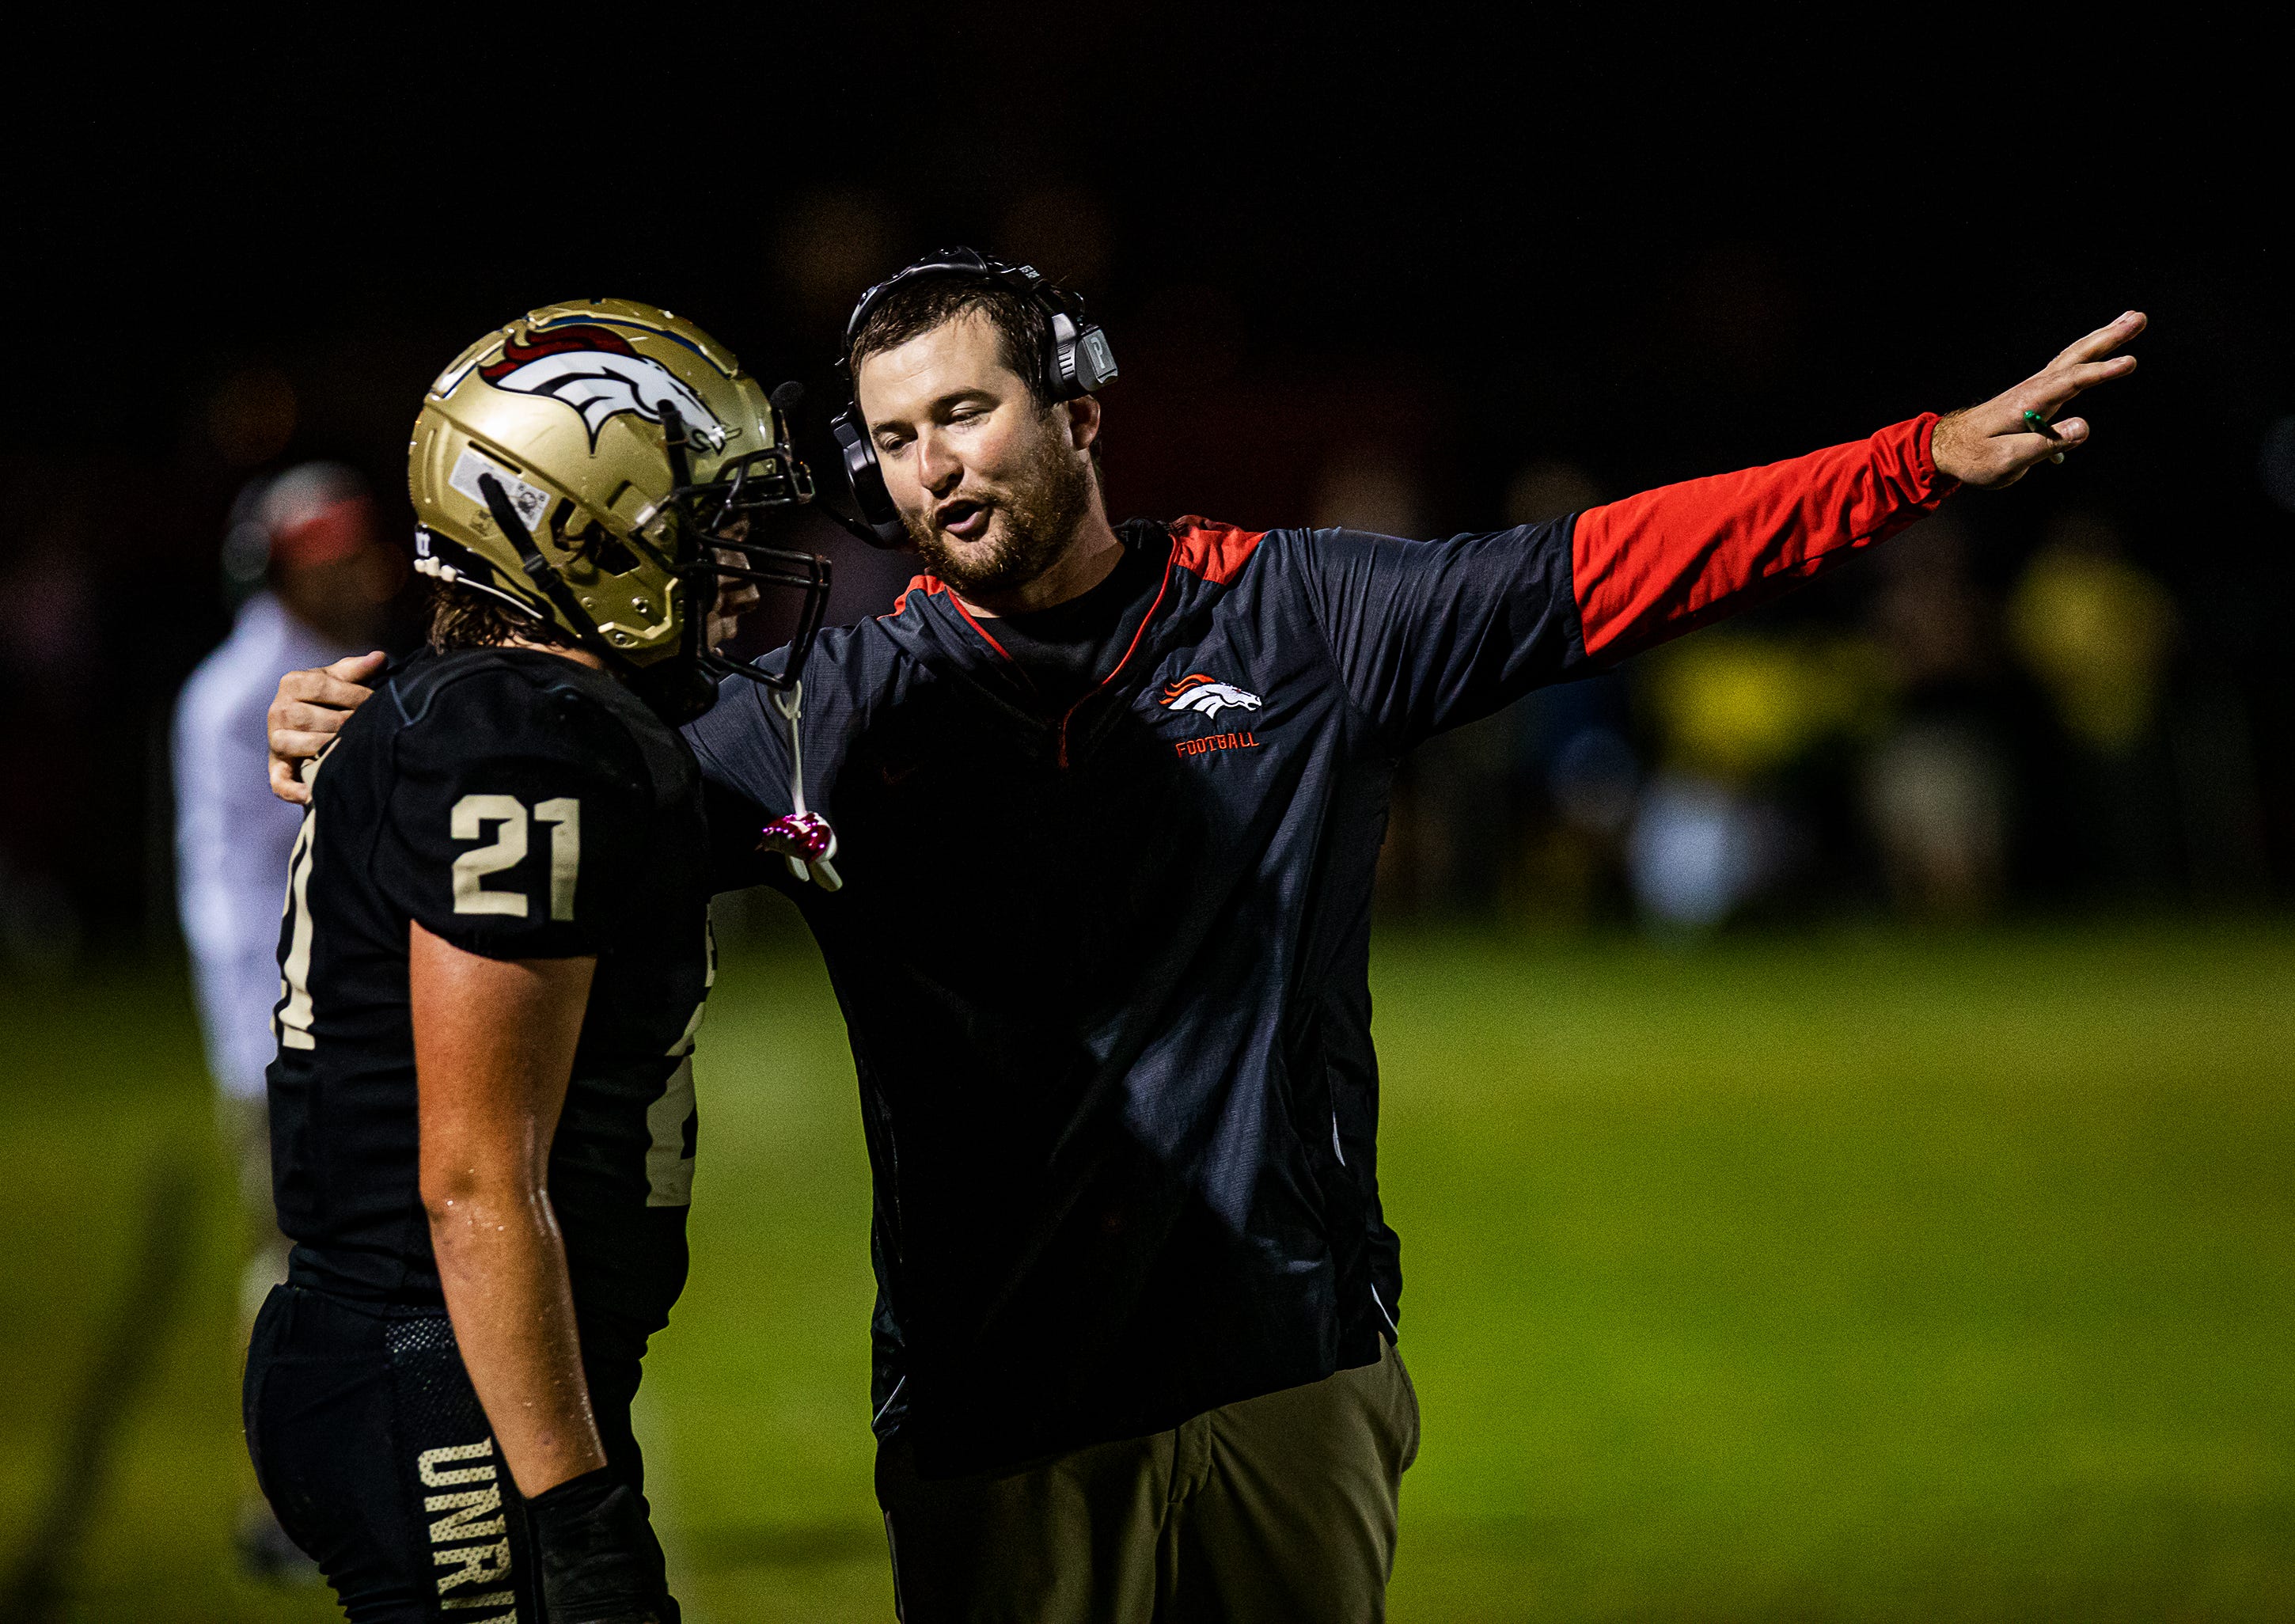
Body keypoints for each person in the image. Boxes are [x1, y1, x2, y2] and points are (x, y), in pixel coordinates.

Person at [271, 256, 2145, 1622]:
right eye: (898, 439)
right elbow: (524, 778)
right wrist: (362, 740)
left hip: (1282, 1362)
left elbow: (1617, 566)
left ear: (1076, 409)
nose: (932, 467)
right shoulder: (826, 712)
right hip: (992, 1408)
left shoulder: (1305, 617)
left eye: (969, 410)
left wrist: (1916, 464)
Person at [245, 298, 829, 1623]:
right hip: (433, 1360)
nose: (742, 564)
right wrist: (578, 1509)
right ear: (577, 530)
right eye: (707, 526)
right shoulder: (515, 744)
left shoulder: (530, 718)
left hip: (434, 1353)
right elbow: (470, 1177)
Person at [173, 460, 401, 1577]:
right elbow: (254, 891)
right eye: (334, 555)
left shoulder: (308, 669)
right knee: (303, 1269)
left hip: (313, 1021)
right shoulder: (241, 694)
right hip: (282, 1032)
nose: (363, 571)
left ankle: (331, 1491)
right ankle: (289, 1503)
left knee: (338, 1264)